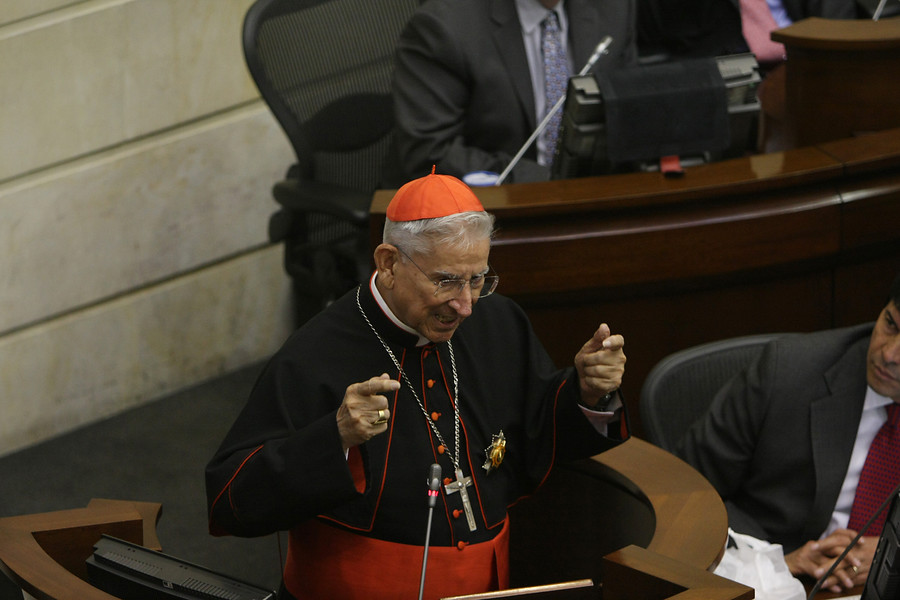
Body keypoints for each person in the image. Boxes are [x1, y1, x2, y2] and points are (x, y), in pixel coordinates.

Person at [205, 170, 628, 600]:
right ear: (389, 263)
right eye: (446, 281)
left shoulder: (499, 321)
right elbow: (230, 499)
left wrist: (588, 391)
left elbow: (539, 429)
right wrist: (335, 437)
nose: (465, 305)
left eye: (477, 279)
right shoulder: (314, 353)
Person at [676, 272, 900, 594]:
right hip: (781, 580)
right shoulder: (787, 371)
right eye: (890, 324)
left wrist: (890, 551)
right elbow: (682, 493)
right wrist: (776, 563)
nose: (889, 355)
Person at [382, 0, 638, 187]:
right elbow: (430, 155)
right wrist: (550, 182)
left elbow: (628, 114)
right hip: (481, 214)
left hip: (591, 200)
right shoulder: (444, 26)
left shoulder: (614, 8)